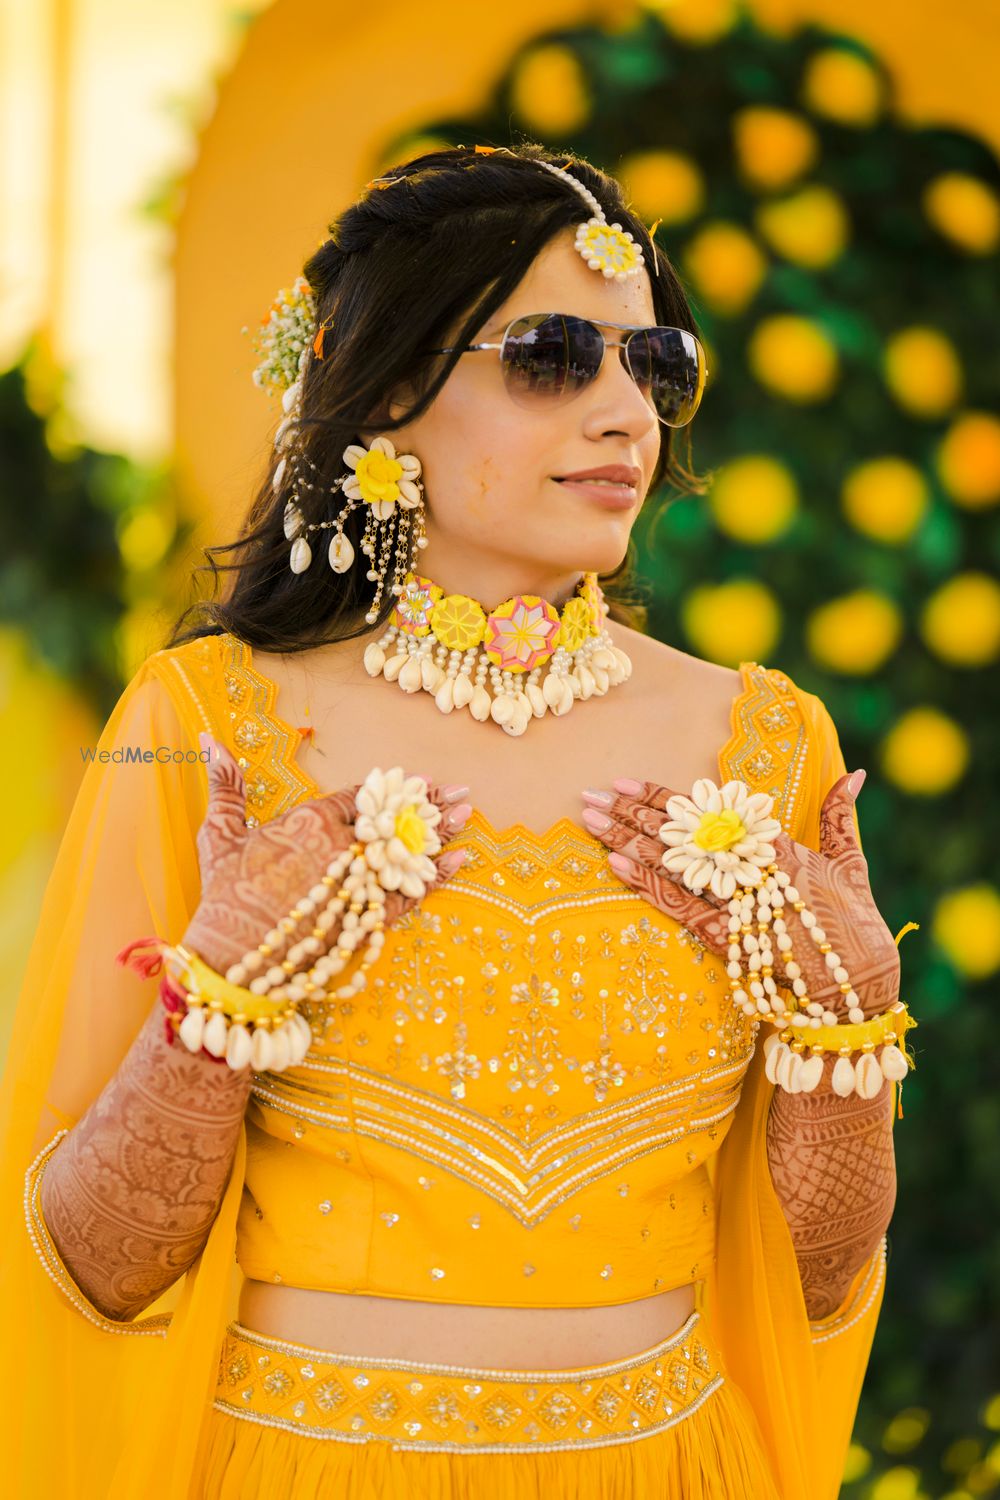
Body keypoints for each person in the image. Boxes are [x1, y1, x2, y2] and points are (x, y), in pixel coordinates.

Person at [0, 143, 915, 1499]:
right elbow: (85, 1265)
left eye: (653, 367)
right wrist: (212, 1022)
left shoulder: (765, 749)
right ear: (382, 397)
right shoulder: (214, 725)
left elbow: (820, 1280)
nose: (625, 414)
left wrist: (847, 1043)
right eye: (554, 357)